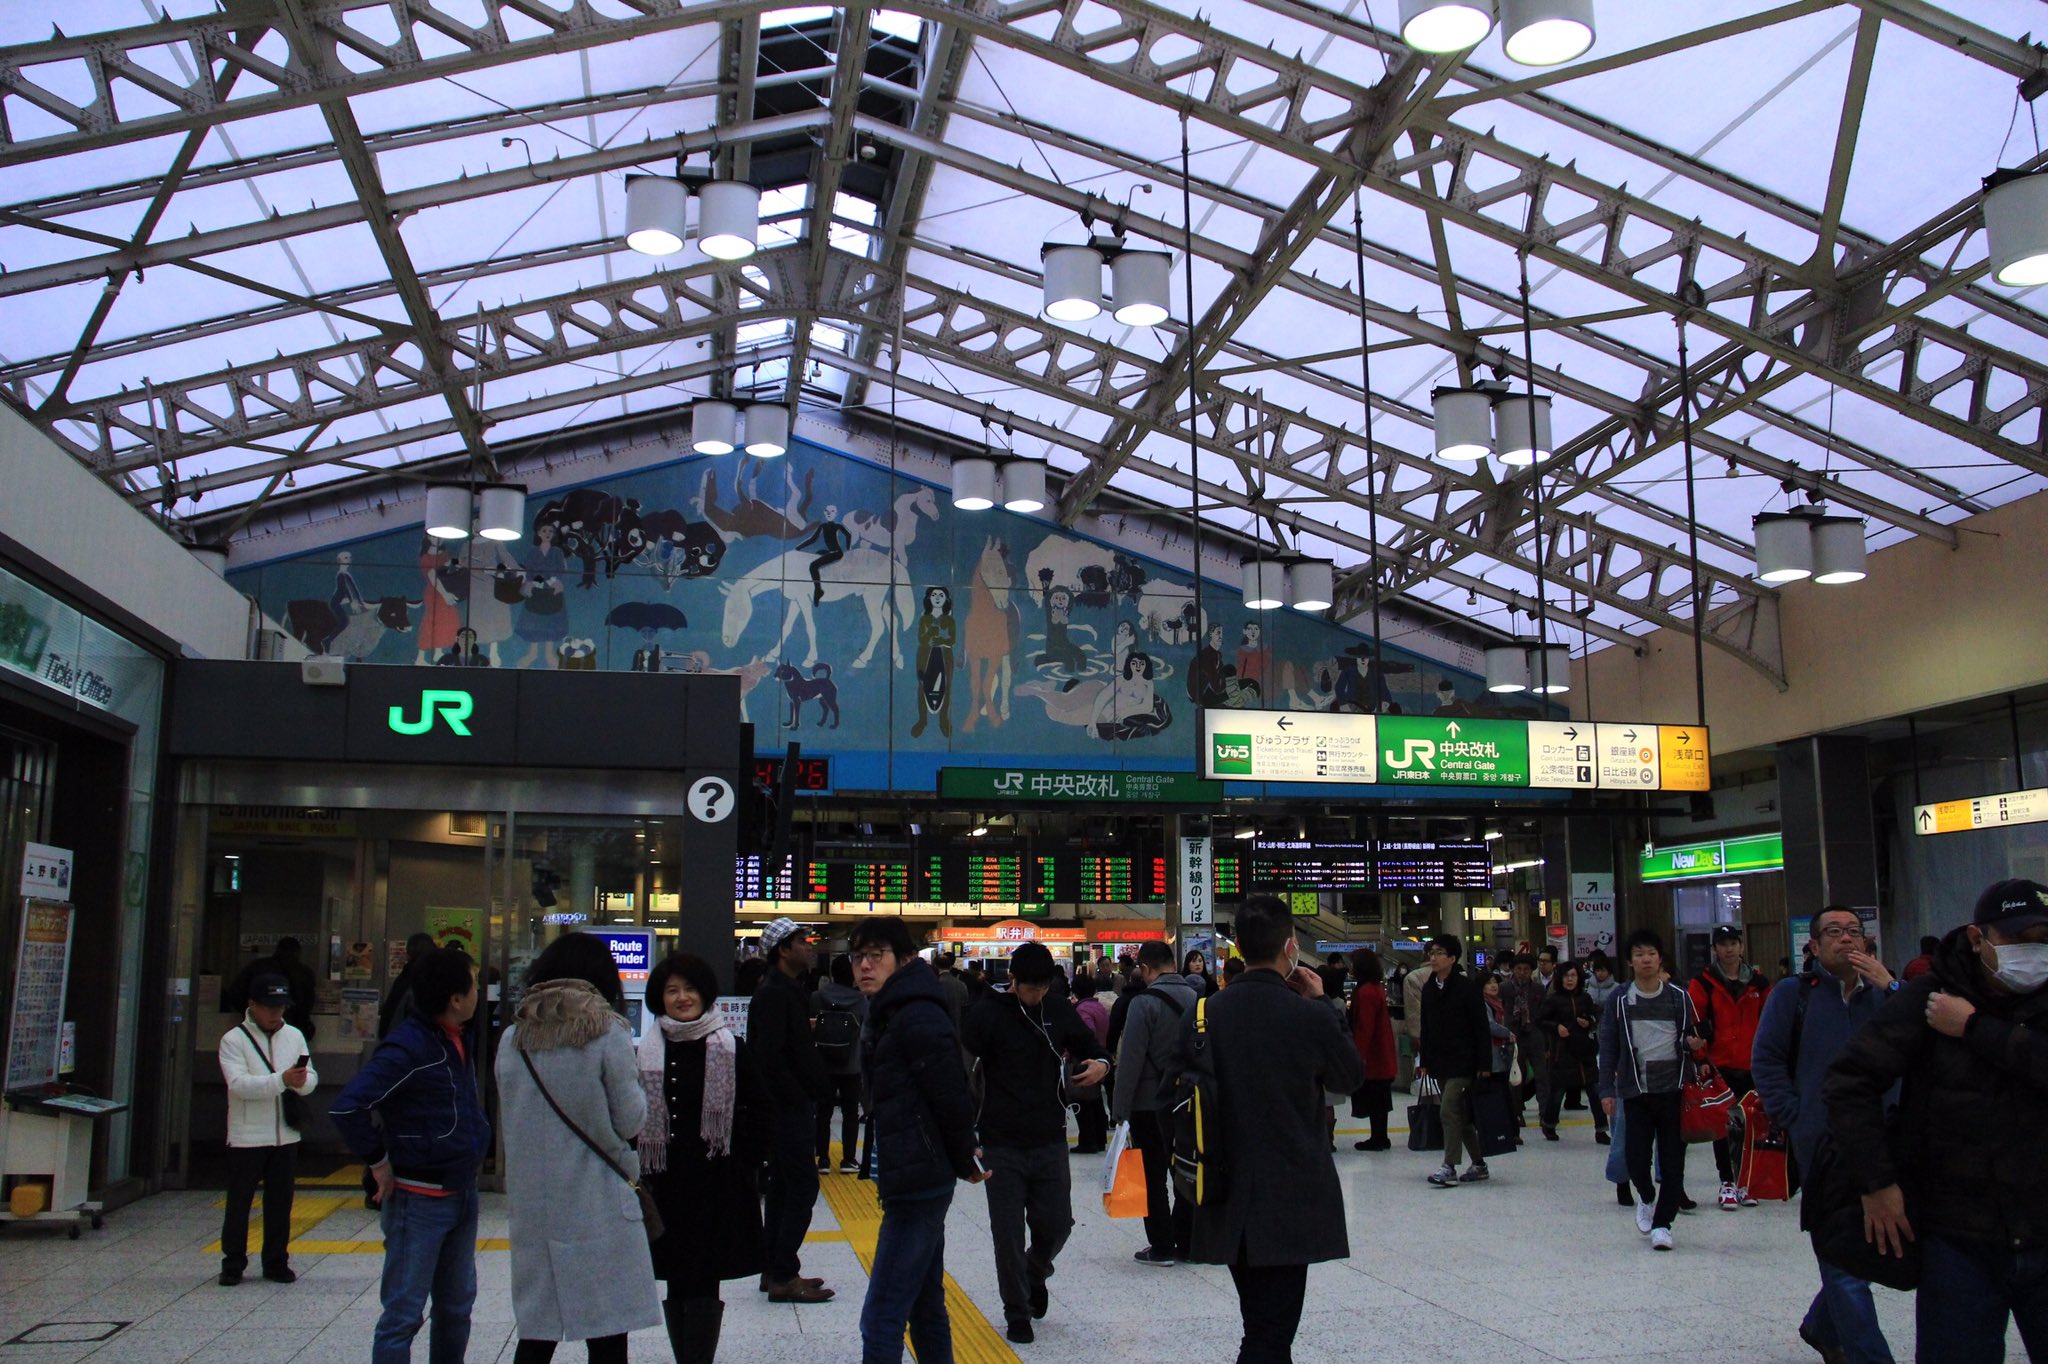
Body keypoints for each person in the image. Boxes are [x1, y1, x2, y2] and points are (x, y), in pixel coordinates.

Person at [1824, 879, 2048, 1362]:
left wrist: (1972, 1027)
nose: (2035, 951)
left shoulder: (1962, 1010)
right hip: (1958, 1236)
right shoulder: (1928, 999)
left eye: (2045, 938)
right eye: (2019, 939)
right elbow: (1849, 1080)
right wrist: (1876, 1182)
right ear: (1977, 937)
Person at [1186, 895, 1365, 1364]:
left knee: (1262, 1324)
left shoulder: (1205, 1014)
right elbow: (1350, 1078)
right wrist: (1326, 1003)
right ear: (1291, 947)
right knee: (1269, 1334)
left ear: (1239, 947)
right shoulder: (1309, 1015)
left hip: (1223, 1190)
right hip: (1290, 1195)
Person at [495, 935, 662, 1364]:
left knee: (537, 1331)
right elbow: (630, 1121)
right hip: (598, 1200)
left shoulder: (513, 1038)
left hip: (534, 1206)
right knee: (607, 1329)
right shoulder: (606, 1032)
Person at [1751, 906, 1900, 1364]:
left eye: (1854, 931)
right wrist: (1796, 1116)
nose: (1846, 940)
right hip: (1823, 1148)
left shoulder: (1885, 995)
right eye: (1834, 932)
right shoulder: (1792, 995)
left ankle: (1821, 1325)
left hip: (1887, 1145)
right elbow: (1768, 1059)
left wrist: (1890, 986)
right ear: (1813, 946)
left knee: (1876, 1247)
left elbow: (1929, 1034)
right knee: (1844, 1262)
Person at [330, 946, 491, 1364]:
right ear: (455, 998)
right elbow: (348, 1106)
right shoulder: (409, 1047)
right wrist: (379, 1162)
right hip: (418, 1199)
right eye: (474, 984)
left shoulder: (457, 1037)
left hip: (462, 1191)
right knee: (403, 1313)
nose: (479, 991)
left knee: (456, 1308)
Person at [849, 916, 987, 1364]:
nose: (865, 966)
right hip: (912, 1168)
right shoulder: (893, 1009)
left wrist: (965, 1152)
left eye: (876, 955)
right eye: (858, 957)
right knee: (925, 1302)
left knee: (882, 1316)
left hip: (918, 1178)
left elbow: (950, 1092)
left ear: (904, 959)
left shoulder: (915, 1014)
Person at [960, 943, 1109, 1344]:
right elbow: (960, 1074)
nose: (1035, 996)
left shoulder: (1057, 1009)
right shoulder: (986, 1015)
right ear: (1013, 981)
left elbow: (1090, 1047)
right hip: (1000, 1141)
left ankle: (1036, 1269)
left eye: (1043, 988)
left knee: (1058, 1223)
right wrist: (964, 1136)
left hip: (1049, 1138)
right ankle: (1017, 1310)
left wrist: (1101, 1063)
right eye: (1029, 989)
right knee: (1007, 1233)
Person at [640, 953, 766, 1364]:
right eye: (672, 990)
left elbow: (762, 1108)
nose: (682, 997)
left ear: (705, 993)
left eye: (690, 989)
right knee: (676, 1274)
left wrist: (745, 1159)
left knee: (706, 1274)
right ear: (659, 997)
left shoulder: (730, 1047)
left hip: (716, 1180)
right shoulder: (647, 1051)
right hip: (665, 1179)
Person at [1598, 929, 1705, 1251]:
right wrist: (1606, 1088)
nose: (1646, 960)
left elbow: (1689, 1035)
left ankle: (1663, 1224)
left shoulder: (1678, 996)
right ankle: (1645, 1196)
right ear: (1630, 961)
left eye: (1651, 954)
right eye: (1639, 954)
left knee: (1673, 1162)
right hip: (1636, 1091)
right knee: (1636, 1158)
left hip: (1674, 1091)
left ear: (1660, 959)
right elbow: (1609, 1045)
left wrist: (1693, 1045)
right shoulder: (1619, 999)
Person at [747, 918, 834, 1303]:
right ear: (782, 949)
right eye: (802, 941)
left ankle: (775, 1267)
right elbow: (768, 1058)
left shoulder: (786, 990)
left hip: (789, 1105)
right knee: (802, 1186)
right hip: (786, 1108)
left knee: (783, 1187)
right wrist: (800, 1094)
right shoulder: (774, 994)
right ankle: (783, 1273)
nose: (809, 946)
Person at [217, 973, 317, 1286]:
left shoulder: (294, 1036)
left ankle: (276, 1261)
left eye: (282, 1006)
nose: (277, 1013)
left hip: (285, 1133)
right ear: (252, 1005)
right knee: (239, 1201)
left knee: (280, 1201)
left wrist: (301, 1083)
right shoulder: (233, 1040)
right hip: (247, 1134)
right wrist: (281, 1081)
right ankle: (233, 1262)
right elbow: (238, 1085)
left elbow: (310, 1076)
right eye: (270, 1007)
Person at [1110, 939, 1202, 1265]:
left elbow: (1130, 1061)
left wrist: (1119, 1111)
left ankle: (1162, 1246)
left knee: (1152, 1177)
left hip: (1149, 1105)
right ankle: (1187, 1241)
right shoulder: (1196, 999)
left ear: (1146, 969)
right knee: (1185, 1173)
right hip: (1188, 1103)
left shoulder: (1143, 1004)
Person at [1688, 923, 1772, 1209]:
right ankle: (1727, 1182)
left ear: (1741, 946)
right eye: (1722, 944)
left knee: (1751, 1125)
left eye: (1733, 943)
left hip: (1751, 1064)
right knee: (1722, 1126)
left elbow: (1770, 1024)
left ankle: (1746, 1181)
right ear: (1714, 949)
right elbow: (1696, 1025)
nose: (1729, 948)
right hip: (1718, 1066)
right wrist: (1701, 1061)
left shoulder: (1759, 984)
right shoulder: (1703, 983)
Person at [1417, 935, 1493, 1187]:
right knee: (1459, 1116)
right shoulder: (1429, 988)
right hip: (1440, 1061)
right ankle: (1479, 1164)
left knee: (1448, 1109)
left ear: (1452, 958)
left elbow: (1481, 1028)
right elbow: (1425, 1026)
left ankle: (1449, 1166)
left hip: (1464, 1062)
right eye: (1432, 952)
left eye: (1439, 953)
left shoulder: (1466, 989)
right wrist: (1425, 1059)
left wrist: (1484, 1064)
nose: (1433, 957)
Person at [811, 953, 867, 1175]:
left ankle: (822, 1159)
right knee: (850, 1112)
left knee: (823, 1112)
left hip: (823, 1062)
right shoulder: (860, 1000)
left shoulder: (817, 997)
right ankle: (848, 1159)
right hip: (851, 1064)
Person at [1538, 963, 1605, 1143]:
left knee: (1594, 1090)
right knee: (1557, 1091)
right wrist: (1556, 1027)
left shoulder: (1585, 998)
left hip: (1584, 1050)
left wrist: (1588, 1022)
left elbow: (1593, 1018)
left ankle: (1601, 1129)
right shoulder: (1553, 1000)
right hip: (1563, 1051)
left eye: (1573, 975)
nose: (1570, 979)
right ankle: (1549, 1123)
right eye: (1566, 976)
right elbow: (1540, 1020)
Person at [1347, 950, 1396, 1150]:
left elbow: (1364, 1027)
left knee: (1373, 1097)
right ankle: (1381, 1136)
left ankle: (1377, 1138)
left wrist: (1359, 1054)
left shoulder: (1365, 991)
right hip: (1382, 1051)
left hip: (1373, 1055)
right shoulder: (1376, 988)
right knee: (1381, 1099)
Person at [224, 936, 319, 1038]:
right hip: (294, 1026)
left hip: (258, 1028)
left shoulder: (258, 967)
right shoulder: (304, 973)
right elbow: (308, 1002)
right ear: (298, 952)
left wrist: (253, 1013)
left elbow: (235, 994)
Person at [1069, 972, 1112, 1154]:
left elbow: (1088, 1032)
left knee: (1083, 1102)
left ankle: (1088, 1140)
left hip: (1085, 1059)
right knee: (1095, 1102)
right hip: (1100, 1057)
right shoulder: (1098, 1007)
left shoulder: (1082, 1010)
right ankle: (1100, 1138)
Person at [1499, 953, 1544, 1115]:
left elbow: (1543, 1012)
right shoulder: (1504, 988)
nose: (1522, 972)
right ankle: (1516, 1114)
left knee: (1541, 1075)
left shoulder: (1538, 989)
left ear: (1531, 971)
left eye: (1526, 969)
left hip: (1534, 1034)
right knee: (1516, 1076)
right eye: (1519, 969)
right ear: (1513, 970)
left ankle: (1544, 1114)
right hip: (1513, 1035)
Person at [380, 932, 439, 1039]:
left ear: (409, 954)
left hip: (396, 1040)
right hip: (412, 1042)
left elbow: (390, 1011)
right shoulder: (430, 979)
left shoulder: (405, 976)